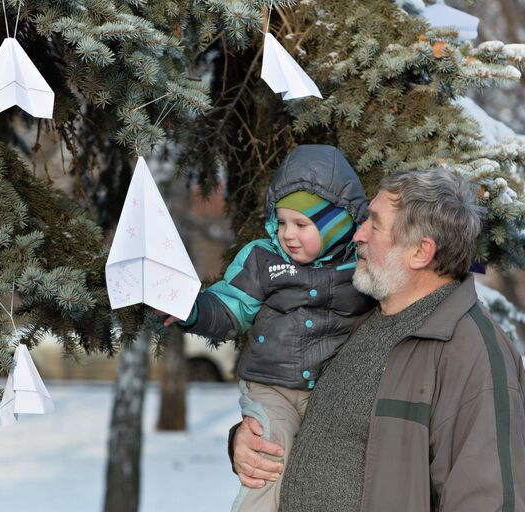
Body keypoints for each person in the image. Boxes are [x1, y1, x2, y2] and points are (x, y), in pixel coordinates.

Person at [231, 168, 525, 512]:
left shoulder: (472, 354)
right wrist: (246, 441)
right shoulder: (358, 317)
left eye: (374, 224)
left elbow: (487, 500)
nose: (358, 234)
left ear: (420, 252)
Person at [162, 144, 374, 512]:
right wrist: (192, 311)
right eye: (281, 222)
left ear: (337, 222)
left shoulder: (361, 265)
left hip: (329, 392)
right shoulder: (263, 258)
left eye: (301, 224)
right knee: (269, 453)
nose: (288, 234)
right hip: (271, 385)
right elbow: (232, 305)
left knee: (328, 468)